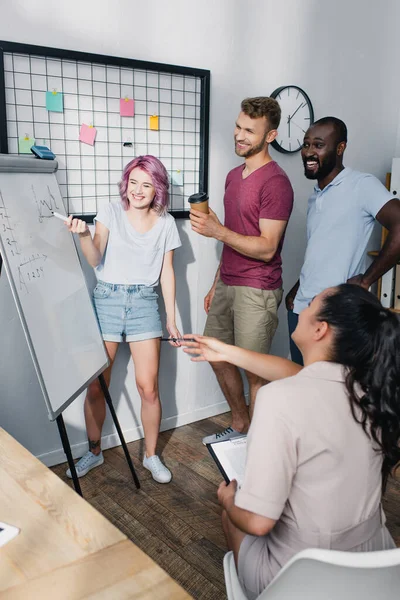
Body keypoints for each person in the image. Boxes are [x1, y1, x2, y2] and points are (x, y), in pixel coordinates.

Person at [182, 284, 400, 599]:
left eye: (310, 303)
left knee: (232, 518)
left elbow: (257, 523)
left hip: (302, 578)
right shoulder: (372, 391)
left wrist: (228, 500)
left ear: (320, 329)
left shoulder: (278, 399)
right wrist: (224, 351)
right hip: (375, 564)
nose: (301, 305)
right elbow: (295, 373)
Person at [65, 155, 181, 484]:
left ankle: (150, 455)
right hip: (107, 301)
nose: (138, 190)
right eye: (133, 182)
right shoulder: (110, 211)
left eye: (146, 184)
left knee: (149, 388)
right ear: (125, 183)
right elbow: (95, 257)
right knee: (96, 387)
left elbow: (167, 272)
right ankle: (94, 452)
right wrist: (84, 236)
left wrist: (171, 319)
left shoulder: (166, 222)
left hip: (144, 302)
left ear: (157, 187)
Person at [190, 97, 294, 444]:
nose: (239, 135)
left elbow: (266, 248)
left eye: (249, 130)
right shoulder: (234, 176)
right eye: (238, 126)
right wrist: (215, 282)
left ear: (270, 136)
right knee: (215, 356)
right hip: (228, 283)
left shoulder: (276, 183)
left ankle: (263, 447)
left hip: (258, 288)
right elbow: (235, 236)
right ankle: (241, 425)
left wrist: (217, 231)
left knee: (255, 372)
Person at [286, 116, 400, 365]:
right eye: (306, 145)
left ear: (340, 148)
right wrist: (298, 287)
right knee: (299, 384)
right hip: (302, 309)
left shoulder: (361, 185)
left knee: (331, 395)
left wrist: (367, 280)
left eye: (318, 145)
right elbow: (323, 248)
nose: (309, 152)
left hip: (335, 314)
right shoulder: (315, 196)